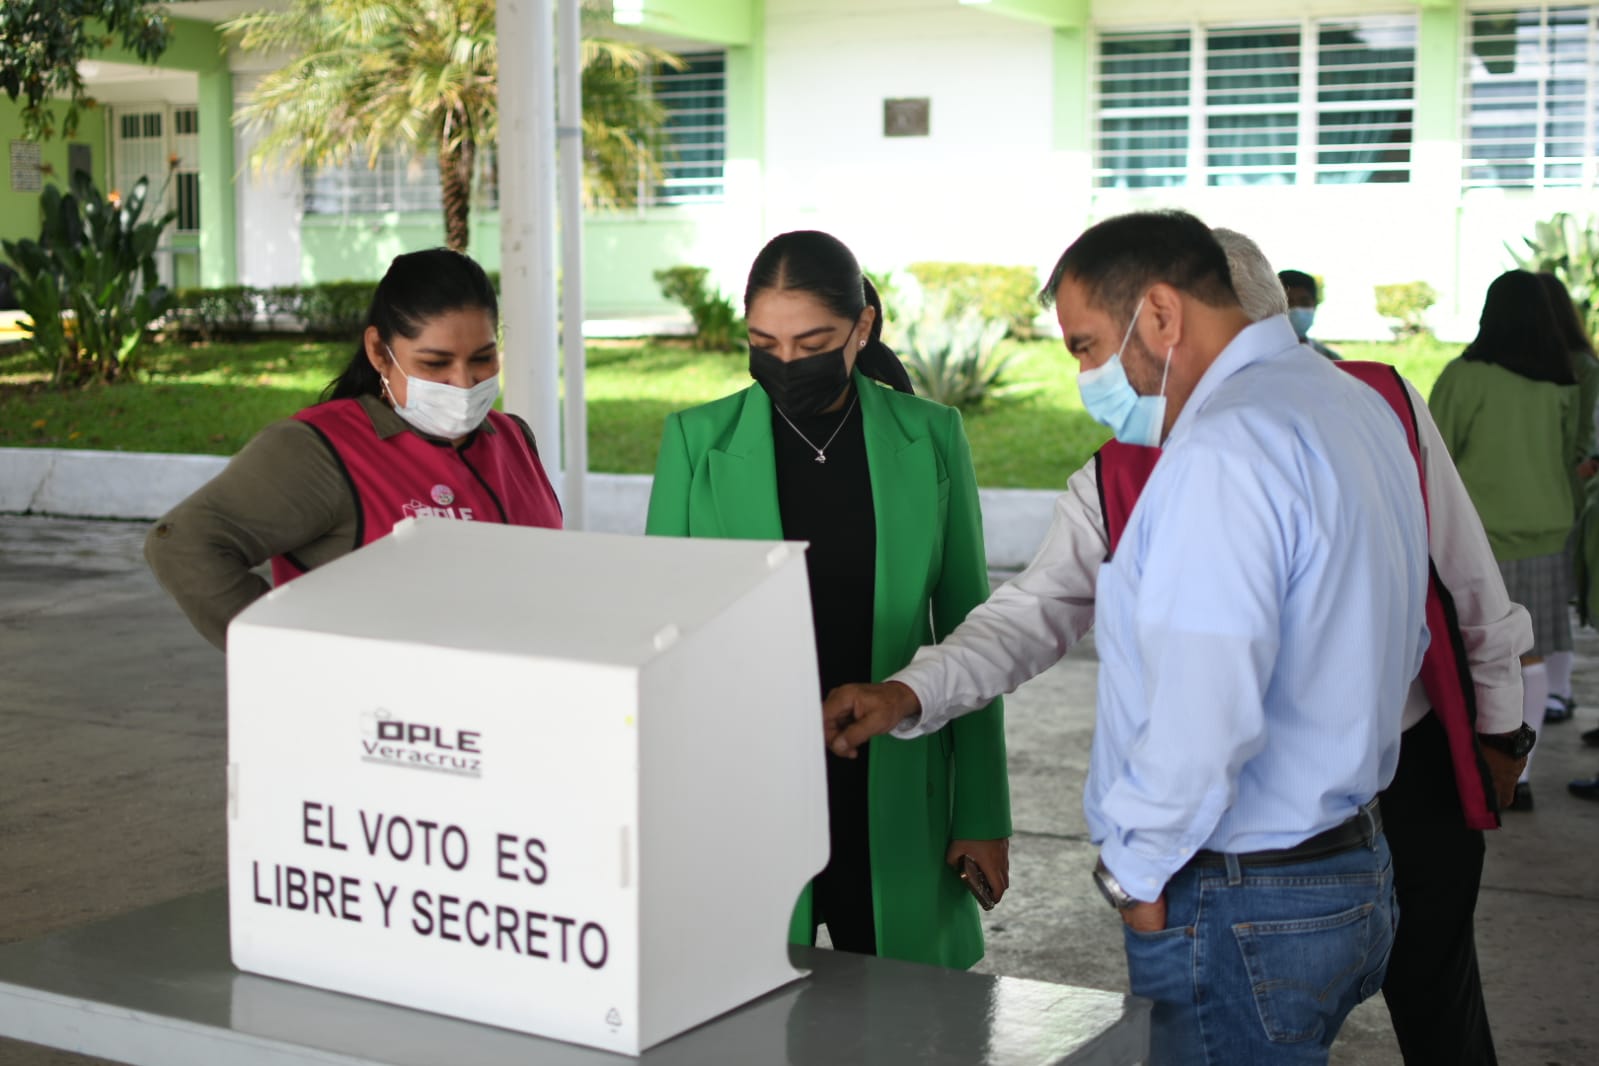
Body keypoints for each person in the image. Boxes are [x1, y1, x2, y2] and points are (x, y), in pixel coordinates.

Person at [826, 226, 1530, 1066]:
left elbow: (1203, 708)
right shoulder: (1350, 404)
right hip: (1351, 854)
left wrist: (1137, 875)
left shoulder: (1221, 451)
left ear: (1161, 314)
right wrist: (911, 691)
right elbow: (1041, 606)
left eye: (1087, 346)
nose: (1087, 377)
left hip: (1243, 882)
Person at [645, 230, 1011, 968]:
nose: (784, 363)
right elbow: (665, 640)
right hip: (748, 778)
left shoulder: (931, 437)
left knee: (905, 1024)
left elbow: (972, 632)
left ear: (862, 328)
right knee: (749, 1013)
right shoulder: (695, 442)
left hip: (898, 774)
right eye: (762, 342)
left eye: (811, 341)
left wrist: (981, 814)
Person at [146, 248, 563, 649]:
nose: (464, 382)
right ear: (380, 352)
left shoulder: (513, 439)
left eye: (483, 359)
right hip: (384, 715)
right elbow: (182, 545)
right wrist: (288, 656)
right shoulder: (321, 450)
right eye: (435, 364)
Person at [1430, 270, 1582, 811]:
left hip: (1478, 537)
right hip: (1546, 529)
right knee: (1533, 653)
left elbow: (1433, 453)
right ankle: (1520, 773)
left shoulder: (1463, 377)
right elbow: (1569, 457)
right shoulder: (1561, 382)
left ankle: (1484, 764)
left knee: (1482, 653)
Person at [1535, 271, 1598, 725]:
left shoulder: (1580, 370)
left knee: (1558, 601)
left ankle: (1557, 689)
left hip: (1572, 500)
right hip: (1561, 498)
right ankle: (1555, 690)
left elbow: (1583, 443)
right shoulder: (1552, 366)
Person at [1278, 268, 1340, 360]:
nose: (1296, 308)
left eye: (1304, 302)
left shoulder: (1332, 360)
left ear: (1315, 305)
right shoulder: (1258, 360)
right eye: (1289, 302)